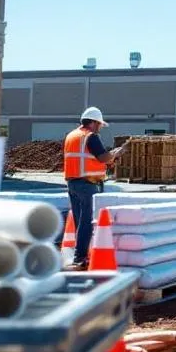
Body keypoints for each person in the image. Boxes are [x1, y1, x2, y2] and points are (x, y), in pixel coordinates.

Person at [63, 107, 124, 269]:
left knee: (79, 220)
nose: (100, 128)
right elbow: (102, 157)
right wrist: (115, 154)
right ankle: (80, 258)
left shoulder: (72, 136)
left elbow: (87, 158)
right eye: (99, 124)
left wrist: (108, 159)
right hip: (87, 184)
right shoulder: (91, 137)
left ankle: (81, 255)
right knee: (87, 221)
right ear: (93, 122)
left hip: (72, 182)